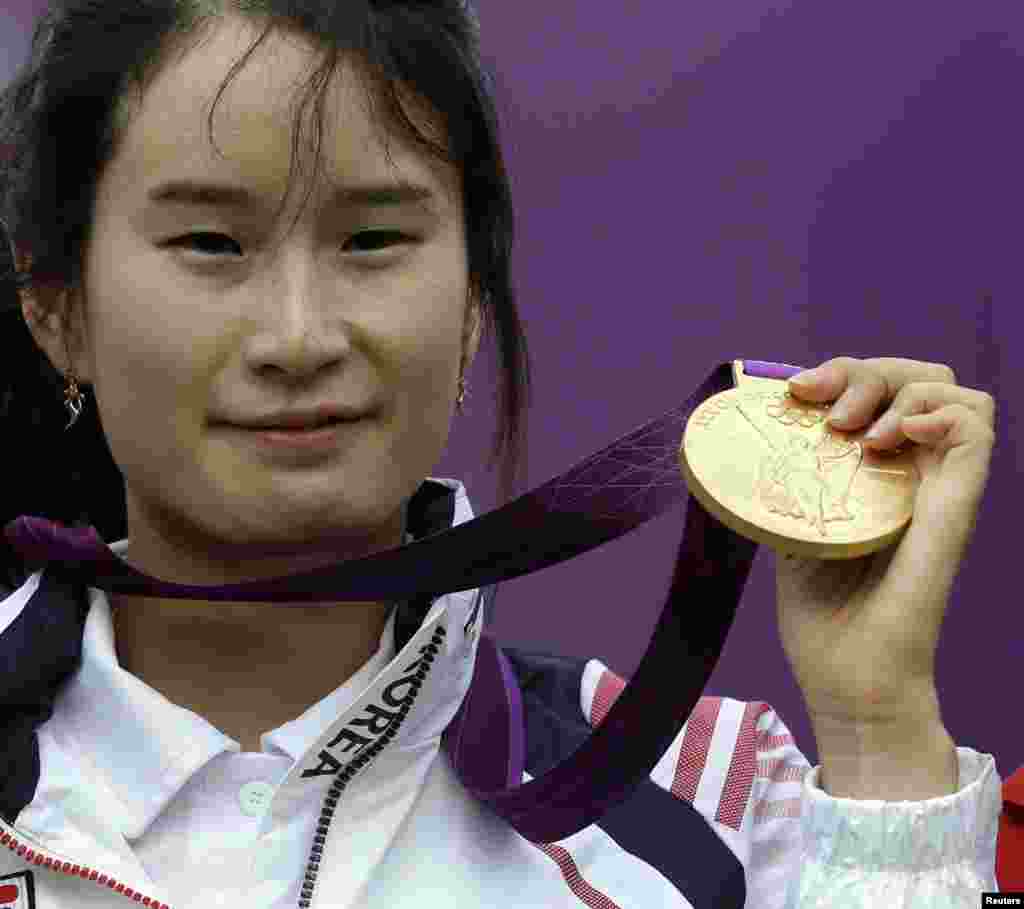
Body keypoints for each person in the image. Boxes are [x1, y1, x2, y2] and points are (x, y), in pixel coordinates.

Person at [0, 2, 1003, 906]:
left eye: (374, 240)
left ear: (475, 298)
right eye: (212, 244)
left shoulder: (720, 802)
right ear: (55, 305)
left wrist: (877, 733)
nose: (299, 337)